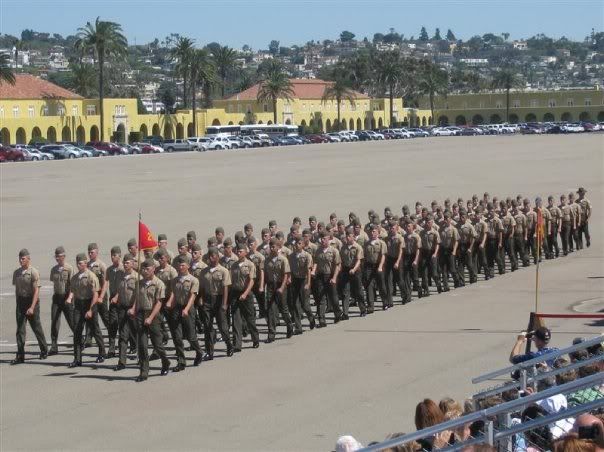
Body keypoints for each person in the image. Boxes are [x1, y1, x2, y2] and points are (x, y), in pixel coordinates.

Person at [130, 259, 170, 381]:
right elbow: (137, 298)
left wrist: (151, 318)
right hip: (141, 313)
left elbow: (159, 303)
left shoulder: (159, 283)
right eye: (143, 269)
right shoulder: (139, 283)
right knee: (142, 345)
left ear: (153, 269)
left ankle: (165, 361)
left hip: (153, 315)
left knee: (157, 345)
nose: (145, 271)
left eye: (147, 269)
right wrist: (133, 309)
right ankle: (144, 371)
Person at [165, 255, 203, 371]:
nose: (180, 267)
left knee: (191, 336)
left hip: (188, 309)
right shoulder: (175, 280)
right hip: (177, 308)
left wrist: (186, 309)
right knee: (177, 337)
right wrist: (170, 303)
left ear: (188, 266)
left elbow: (192, 297)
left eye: (182, 265)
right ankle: (181, 361)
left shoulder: (193, 280)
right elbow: (174, 294)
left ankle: (199, 352)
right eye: (179, 265)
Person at [67, 253, 105, 367]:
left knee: (95, 329)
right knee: (77, 331)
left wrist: (91, 310)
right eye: (77, 263)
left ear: (85, 263)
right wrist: (70, 298)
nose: (78, 265)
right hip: (79, 305)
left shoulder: (91, 276)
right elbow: (73, 290)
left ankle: (102, 353)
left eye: (81, 263)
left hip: (90, 303)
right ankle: (77, 358)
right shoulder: (75, 278)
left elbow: (95, 294)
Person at [12, 249, 48, 364]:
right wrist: (18, 303)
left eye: (23, 258)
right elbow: (17, 290)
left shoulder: (33, 272)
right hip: (21, 303)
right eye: (20, 258)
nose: (21, 260)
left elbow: (36, 291)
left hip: (32, 301)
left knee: (36, 327)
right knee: (20, 330)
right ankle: (20, 355)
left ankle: (44, 350)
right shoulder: (16, 273)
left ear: (28, 259)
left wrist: (32, 307)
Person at [199, 247, 234, 358]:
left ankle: (229, 345)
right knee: (207, 326)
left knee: (223, 327)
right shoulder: (204, 272)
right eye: (209, 256)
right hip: (207, 301)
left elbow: (225, 288)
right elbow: (202, 288)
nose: (211, 258)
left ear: (218, 257)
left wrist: (224, 304)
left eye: (213, 256)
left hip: (219, 300)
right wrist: (201, 299)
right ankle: (209, 351)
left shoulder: (223, 271)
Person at [229, 243, 260, 349]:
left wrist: (245, 293)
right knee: (236, 319)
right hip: (235, 294)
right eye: (237, 251)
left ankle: (255, 339)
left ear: (245, 252)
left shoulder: (250, 265)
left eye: (240, 251)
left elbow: (251, 281)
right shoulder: (234, 266)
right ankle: (237, 344)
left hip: (246, 294)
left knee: (250, 318)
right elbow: (231, 281)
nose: (238, 253)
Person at [111, 253, 138, 371]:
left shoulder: (137, 277)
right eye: (124, 263)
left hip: (134, 309)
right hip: (122, 308)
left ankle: (141, 357)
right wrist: (116, 297)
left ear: (132, 263)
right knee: (123, 336)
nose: (125, 265)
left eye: (127, 263)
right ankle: (121, 362)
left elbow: (139, 295)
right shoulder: (121, 276)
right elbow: (120, 289)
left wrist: (134, 308)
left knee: (137, 334)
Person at [264, 238, 294, 341]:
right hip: (271, 286)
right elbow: (266, 275)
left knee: (283, 309)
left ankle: (289, 325)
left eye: (273, 247)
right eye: (270, 247)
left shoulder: (283, 259)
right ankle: (271, 334)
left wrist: (282, 287)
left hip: (281, 285)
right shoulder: (267, 260)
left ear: (278, 247)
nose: (272, 248)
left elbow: (286, 275)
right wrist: (264, 286)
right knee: (271, 310)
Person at [49, 246, 74, 355]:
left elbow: (72, 285)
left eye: (59, 256)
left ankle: (79, 340)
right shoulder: (53, 269)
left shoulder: (69, 268)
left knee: (71, 321)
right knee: (54, 321)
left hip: (66, 297)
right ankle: (54, 346)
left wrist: (70, 298)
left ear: (63, 256)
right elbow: (53, 281)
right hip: (57, 297)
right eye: (56, 256)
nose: (57, 258)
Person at [313, 231, 342, 325]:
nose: (322, 240)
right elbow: (315, 262)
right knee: (321, 298)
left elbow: (337, 266)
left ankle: (337, 314)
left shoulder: (334, 251)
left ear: (329, 239)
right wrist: (314, 271)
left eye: (324, 238)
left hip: (330, 276)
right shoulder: (318, 251)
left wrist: (334, 278)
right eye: (321, 239)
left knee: (333, 298)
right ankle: (321, 319)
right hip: (320, 276)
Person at [288, 239, 316, 332]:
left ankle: (311, 318)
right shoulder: (291, 256)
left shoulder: (307, 255)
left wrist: (308, 283)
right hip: (295, 280)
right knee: (295, 304)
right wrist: (289, 278)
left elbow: (308, 270)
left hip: (304, 280)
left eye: (299, 243)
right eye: (296, 243)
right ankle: (298, 327)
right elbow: (290, 270)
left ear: (303, 245)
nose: (297, 245)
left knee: (305, 305)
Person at [339, 227, 366, 316]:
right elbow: (341, 261)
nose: (347, 238)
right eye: (346, 236)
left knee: (359, 291)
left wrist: (354, 269)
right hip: (346, 270)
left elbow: (359, 260)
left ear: (353, 237)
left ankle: (363, 309)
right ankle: (345, 313)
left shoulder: (358, 247)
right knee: (345, 292)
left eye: (349, 236)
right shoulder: (343, 248)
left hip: (356, 271)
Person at [363, 225, 389, 311]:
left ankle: (385, 302)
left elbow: (383, 256)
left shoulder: (381, 243)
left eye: (374, 231)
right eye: (371, 231)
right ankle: (370, 306)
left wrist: (380, 266)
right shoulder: (366, 244)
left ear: (378, 232)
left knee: (381, 285)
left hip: (378, 265)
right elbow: (365, 256)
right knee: (369, 285)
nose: (372, 233)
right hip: (369, 266)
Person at [105, 246, 125, 357]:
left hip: (122, 299)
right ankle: (111, 348)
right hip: (112, 299)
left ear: (119, 256)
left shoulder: (123, 270)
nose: (112, 257)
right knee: (112, 324)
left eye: (114, 255)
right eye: (111, 255)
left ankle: (131, 345)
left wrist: (117, 296)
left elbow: (123, 286)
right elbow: (106, 283)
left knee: (123, 325)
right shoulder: (109, 270)